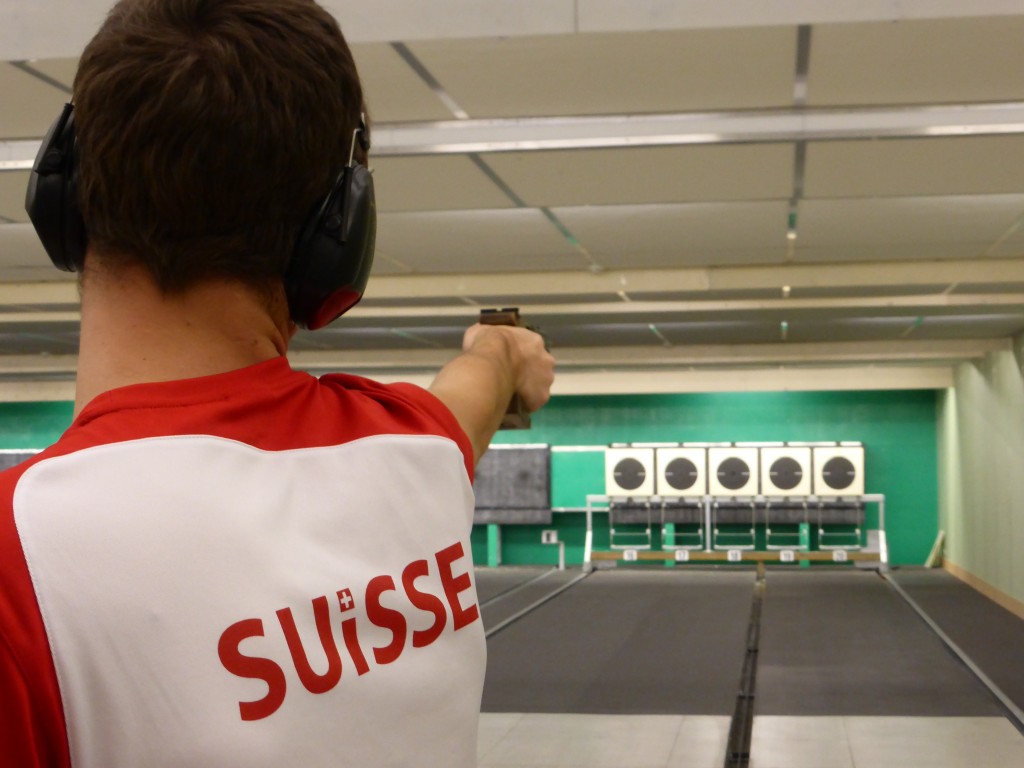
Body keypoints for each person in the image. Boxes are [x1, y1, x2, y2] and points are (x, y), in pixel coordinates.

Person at [0, 1, 554, 766]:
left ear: (60, 189)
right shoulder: (414, 453)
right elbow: (481, 381)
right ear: (338, 232)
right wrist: (506, 351)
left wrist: (497, 362)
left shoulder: (17, 568)